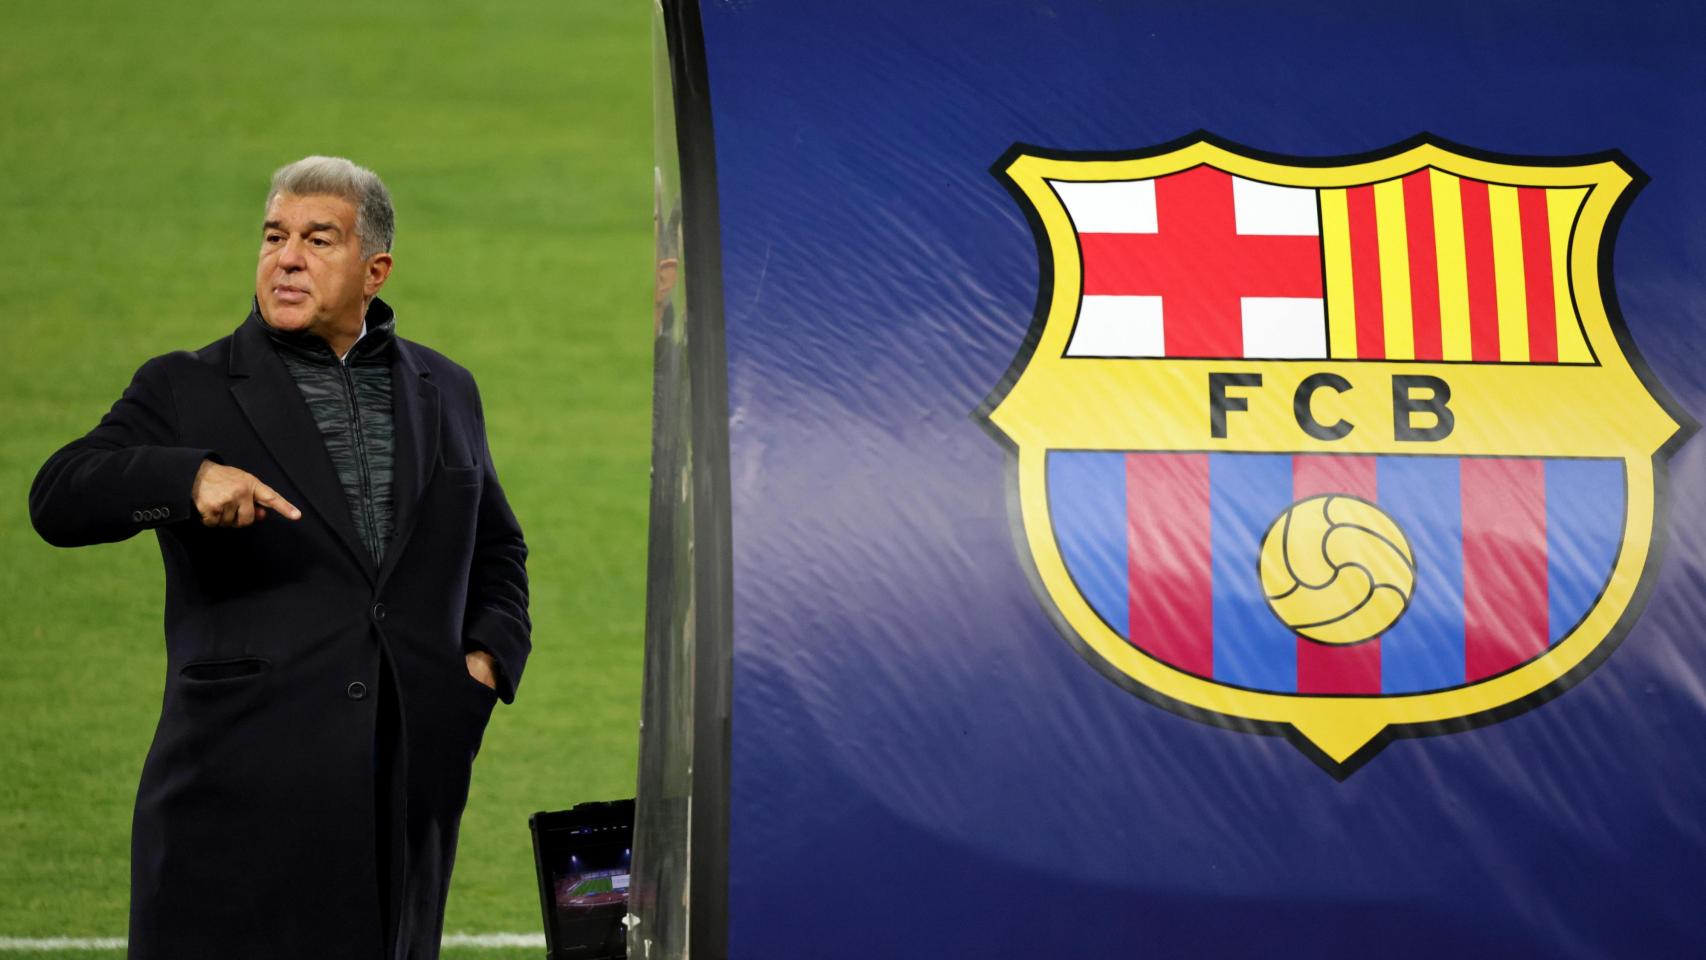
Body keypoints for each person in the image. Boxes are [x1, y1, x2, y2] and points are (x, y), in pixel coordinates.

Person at [28, 156, 530, 959]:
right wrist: (185, 477)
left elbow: (497, 544)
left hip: (403, 786)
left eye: (316, 239)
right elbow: (59, 495)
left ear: (375, 270)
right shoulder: (187, 387)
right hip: (239, 788)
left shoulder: (446, 387)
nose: (286, 258)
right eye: (274, 236)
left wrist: (484, 664)